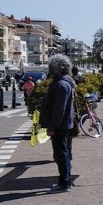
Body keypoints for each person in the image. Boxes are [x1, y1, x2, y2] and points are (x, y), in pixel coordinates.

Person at [39, 54, 77, 193]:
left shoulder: (61, 84)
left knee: (61, 154)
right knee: (63, 153)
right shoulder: (65, 82)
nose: (50, 68)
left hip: (60, 126)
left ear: (59, 68)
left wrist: (52, 127)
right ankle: (67, 181)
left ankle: (64, 183)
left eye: (52, 66)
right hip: (63, 124)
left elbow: (59, 109)